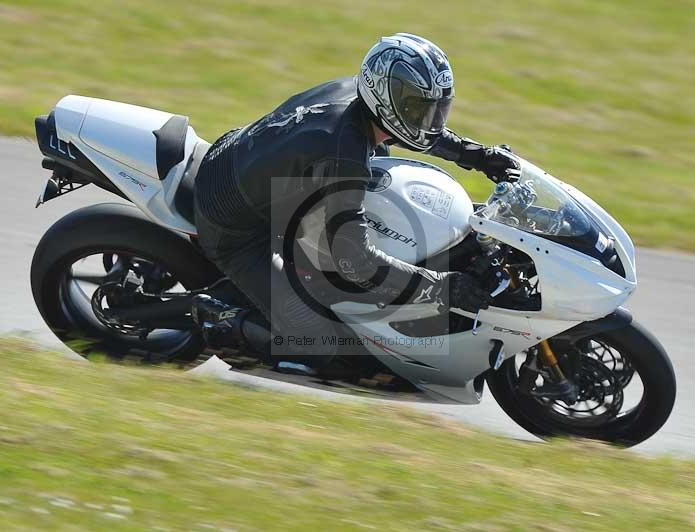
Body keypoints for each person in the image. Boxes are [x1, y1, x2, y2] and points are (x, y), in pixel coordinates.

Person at [191, 33, 521, 373]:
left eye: (436, 109)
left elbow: (414, 131)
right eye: (419, 108)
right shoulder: (344, 154)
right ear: (387, 99)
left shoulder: (357, 98)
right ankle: (218, 317)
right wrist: (440, 288)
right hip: (236, 227)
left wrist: (477, 155)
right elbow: (355, 260)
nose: (430, 120)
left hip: (239, 159)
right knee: (319, 343)